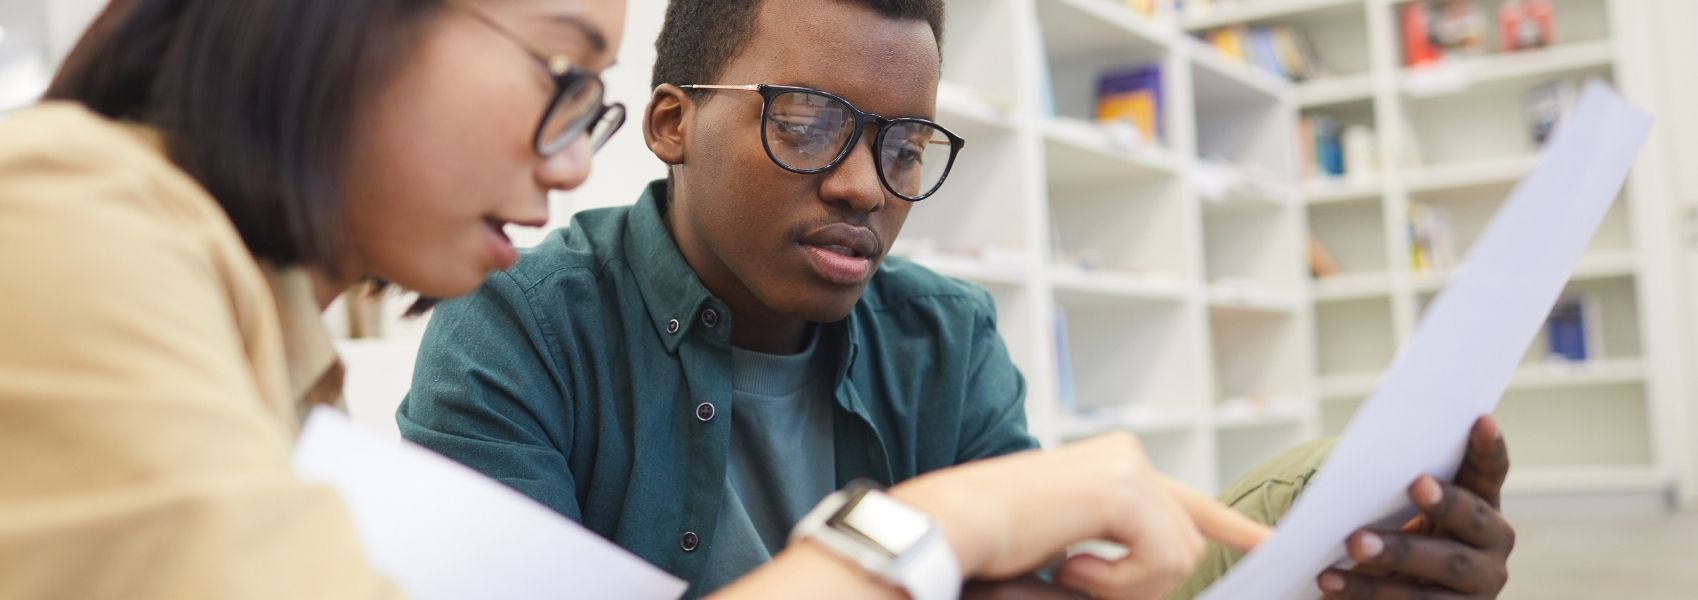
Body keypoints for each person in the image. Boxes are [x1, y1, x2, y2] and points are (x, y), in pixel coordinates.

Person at [0, 0, 1268, 598]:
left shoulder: (274, 349)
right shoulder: (65, 218)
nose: (566, 154)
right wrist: (940, 528)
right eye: (564, 70)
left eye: (900, 144)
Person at [396, 0, 1515, 598]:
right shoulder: (517, 327)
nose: (860, 184)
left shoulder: (944, 331)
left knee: (1343, 489)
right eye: (806, 120)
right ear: (672, 123)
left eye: (903, 143)